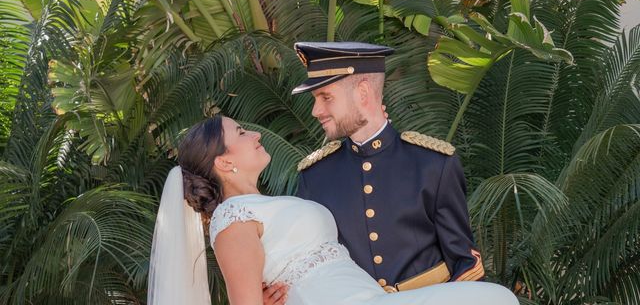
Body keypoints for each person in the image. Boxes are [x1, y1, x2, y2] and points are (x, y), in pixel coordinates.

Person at [148, 115, 519, 305]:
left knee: (496, 298)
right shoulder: (231, 219)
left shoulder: (262, 204)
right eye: (242, 133)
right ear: (224, 163)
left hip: (367, 298)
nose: (256, 134)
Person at [291, 41, 484, 292]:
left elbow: (465, 264)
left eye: (326, 97)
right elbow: (305, 265)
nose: (316, 110)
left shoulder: (433, 165)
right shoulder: (315, 177)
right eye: (316, 99)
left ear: (362, 92)